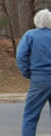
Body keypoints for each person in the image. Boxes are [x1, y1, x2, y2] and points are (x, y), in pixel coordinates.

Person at [16, 8, 51, 136]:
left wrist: (28, 73)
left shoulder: (30, 35)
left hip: (39, 78)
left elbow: (21, 56)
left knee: (30, 116)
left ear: (36, 21)